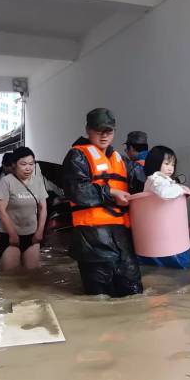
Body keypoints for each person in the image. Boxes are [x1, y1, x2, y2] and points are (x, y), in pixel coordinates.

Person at [62, 108, 144, 297]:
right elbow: (77, 191)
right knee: (99, 296)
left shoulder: (121, 160)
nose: (104, 135)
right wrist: (111, 192)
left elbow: (143, 181)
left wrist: (167, 183)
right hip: (92, 239)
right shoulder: (77, 156)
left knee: (134, 292)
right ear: (88, 130)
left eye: (109, 130)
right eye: (99, 130)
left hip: (121, 237)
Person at [138, 145, 190, 269]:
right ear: (155, 163)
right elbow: (165, 193)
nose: (171, 168)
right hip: (163, 238)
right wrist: (181, 189)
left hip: (165, 235)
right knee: (179, 270)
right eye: (167, 163)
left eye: (173, 164)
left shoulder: (163, 180)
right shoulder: (155, 179)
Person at [0, 147, 49, 271]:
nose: (28, 168)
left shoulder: (38, 181)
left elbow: (43, 207)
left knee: (32, 275)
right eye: (23, 164)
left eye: (31, 164)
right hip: (10, 236)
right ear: (14, 165)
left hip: (32, 235)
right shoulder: (6, 181)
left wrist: (40, 232)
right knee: (11, 276)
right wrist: (13, 235)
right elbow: (0, 210)